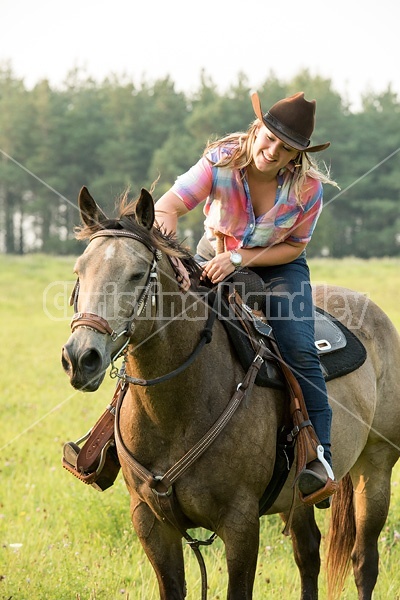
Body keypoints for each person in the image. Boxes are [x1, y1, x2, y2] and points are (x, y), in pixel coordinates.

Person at [154, 90, 339, 508]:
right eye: (269, 138)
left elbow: (293, 247)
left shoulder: (307, 189)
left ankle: (318, 459)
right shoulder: (221, 160)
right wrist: (178, 260)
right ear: (257, 129)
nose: (272, 152)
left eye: (286, 148)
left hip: (277, 267)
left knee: (298, 347)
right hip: (208, 254)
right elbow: (166, 207)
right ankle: (109, 440)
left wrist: (238, 258)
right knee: (160, 327)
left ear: (296, 156)